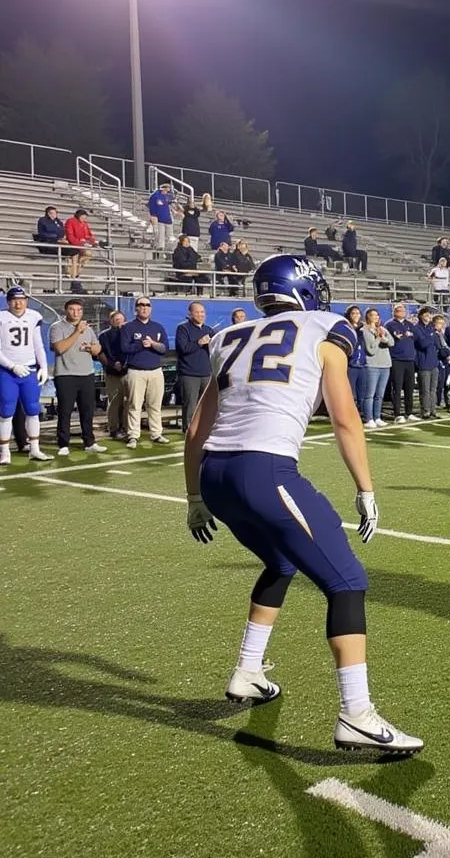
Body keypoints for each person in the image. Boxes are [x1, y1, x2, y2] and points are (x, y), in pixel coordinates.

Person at [182, 254, 422, 753]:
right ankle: (356, 713)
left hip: (217, 475)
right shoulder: (326, 325)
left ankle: (248, 670)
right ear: (306, 290)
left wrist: (194, 497)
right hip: (262, 470)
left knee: (281, 560)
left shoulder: (228, 336)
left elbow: (196, 428)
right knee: (347, 581)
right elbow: (344, 418)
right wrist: (366, 489)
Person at [0, 286, 51, 464]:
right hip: (7, 372)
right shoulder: (1, 317)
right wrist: (12, 366)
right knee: (6, 411)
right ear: (8, 301)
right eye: (14, 299)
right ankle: (5, 452)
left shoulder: (33, 316)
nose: (18, 302)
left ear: (26, 300)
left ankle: (35, 449)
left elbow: (38, 345)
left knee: (32, 409)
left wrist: (43, 366)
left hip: (29, 370)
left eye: (22, 299)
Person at [49, 298, 106, 457]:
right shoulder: (57, 327)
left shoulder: (88, 328)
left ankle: (89, 442)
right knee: (65, 411)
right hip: (65, 375)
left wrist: (91, 347)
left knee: (87, 410)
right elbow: (60, 348)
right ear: (66, 311)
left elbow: (97, 349)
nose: (76, 313)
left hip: (86, 374)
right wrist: (77, 332)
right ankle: (63, 443)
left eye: (79, 310)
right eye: (72, 310)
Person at [121, 297, 170, 448]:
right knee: (135, 405)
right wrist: (141, 345)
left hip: (156, 371)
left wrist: (153, 344)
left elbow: (164, 348)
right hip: (136, 371)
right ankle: (133, 435)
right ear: (136, 308)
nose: (144, 308)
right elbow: (124, 348)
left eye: (147, 305)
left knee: (155, 405)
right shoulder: (128, 327)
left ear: (151, 308)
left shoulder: (158, 327)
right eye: (141, 305)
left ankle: (156, 433)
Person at [176, 302, 214, 431]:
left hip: (206, 373)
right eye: (197, 312)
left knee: (208, 404)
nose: (200, 315)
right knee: (190, 405)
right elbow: (183, 348)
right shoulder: (183, 329)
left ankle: (205, 429)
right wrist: (199, 342)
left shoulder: (209, 330)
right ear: (190, 314)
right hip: (189, 374)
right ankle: (189, 431)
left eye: (202, 312)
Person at [384, 304, 419, 424]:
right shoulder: (390, 324)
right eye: (398, 310)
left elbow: (416, 337)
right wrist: (404, 335)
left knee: (409, 387)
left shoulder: (409, 324)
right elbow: (392, 338)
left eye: (403, 310)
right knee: (397, 387)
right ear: (394, 312)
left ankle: (409, 412)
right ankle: (397, 413)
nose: (401, 312)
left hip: (409, 359)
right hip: (397, 359)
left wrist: (408, 335)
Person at [360, 309, 393, 428]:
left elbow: (392, 343)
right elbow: (371, 350)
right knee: (370, 394)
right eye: (372, 315)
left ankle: (377, 417)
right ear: (367, 317)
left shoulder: (382, 329)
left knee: (380, 394)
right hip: (372, 365)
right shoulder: (365, 331)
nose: (375, 317)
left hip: (385, 365)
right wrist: (379, 338)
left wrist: (383, 337)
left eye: (377, 315)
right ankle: (368, 418)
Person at [98, 310, 128, 439]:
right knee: (114, 401)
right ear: (111, 321)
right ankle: (114, 428)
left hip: (128, 371)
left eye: (121, 319)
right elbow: (100, 353)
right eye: (116, 320)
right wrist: (112, 364)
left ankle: (126, 427)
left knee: (127, 402)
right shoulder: (104, 336)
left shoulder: (128, 333)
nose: (119, 322)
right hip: (112, 373)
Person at [413, 307, 440, 420]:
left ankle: (433, 410)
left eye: (429, 315)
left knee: (433, 389)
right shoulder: (417, 328)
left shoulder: (431, 328)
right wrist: (431, 336)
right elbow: (422, 343)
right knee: (425, 390)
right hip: (423, 363)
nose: (428, 317)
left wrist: (431, 336)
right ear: (421, 316)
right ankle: (425, 410)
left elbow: (437, 343)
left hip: (434, 362)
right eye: (426, 315)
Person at [64, 208, 99, 292]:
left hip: (82, 244)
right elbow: (70, 235)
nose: (84, 219)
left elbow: (88, 235)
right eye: (83, 217)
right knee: (75, 255)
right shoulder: (70, 221)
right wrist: (79, 243)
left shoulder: (84, 224)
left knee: (88, 254)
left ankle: (77, 272)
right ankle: (74, 274)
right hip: (72, 244)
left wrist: (93, 241)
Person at [148, 182, 176, 253]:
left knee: (170, 235)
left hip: (167, 218)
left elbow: (172, 199)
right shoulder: (156, 195)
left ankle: (172, 248)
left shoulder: (167, 196)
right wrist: (153, 215)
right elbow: (153, 205)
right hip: (159, 218)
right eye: (167, 189)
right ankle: (161, 247)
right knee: (161, 234)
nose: (167, 191)